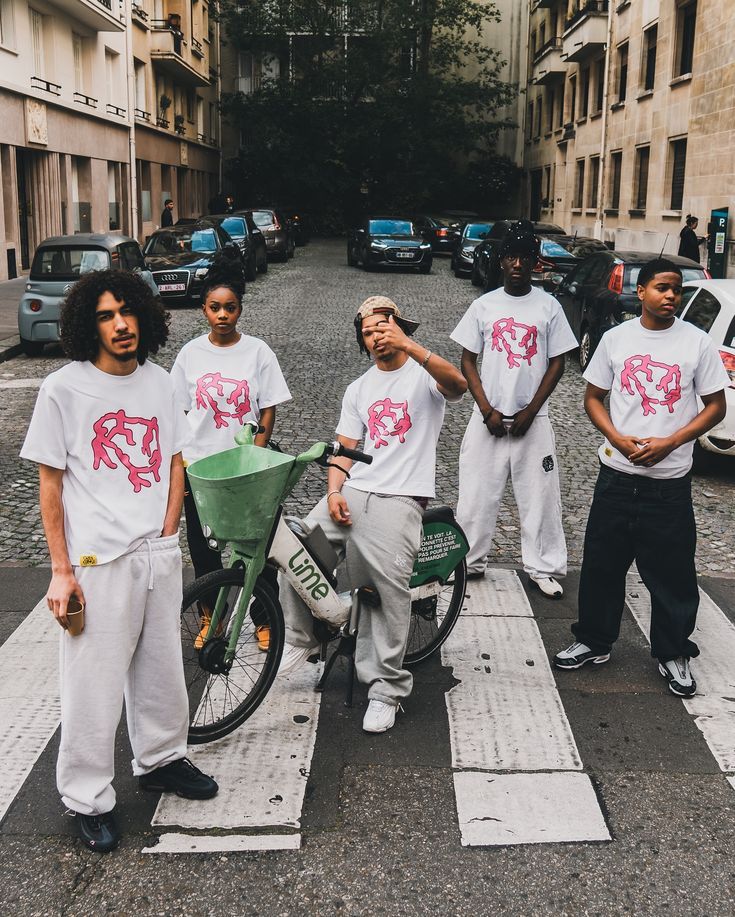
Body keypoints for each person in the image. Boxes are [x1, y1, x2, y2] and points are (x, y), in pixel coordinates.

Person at [20, 270, 218, 854]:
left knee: (162, 670)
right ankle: (87, 797)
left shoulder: (161, 382)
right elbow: (50, 484)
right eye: (106, 315)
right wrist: (61, 571)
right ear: (90, 325)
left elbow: (175, 457)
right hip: (97, 558)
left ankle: (161, 759)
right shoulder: (63, 389)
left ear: (144, 317)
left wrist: (169, 528)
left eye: (127, 311)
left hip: (156, 551)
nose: (121, 324)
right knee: (93, 686)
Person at [278, 296, 467, 733]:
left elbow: (458, 385)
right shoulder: (359, 388)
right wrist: (333, 492)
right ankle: (302, 636)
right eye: (367, 332)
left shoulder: (423, 375)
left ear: (400, 326)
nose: (376, 337)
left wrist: (411, 346)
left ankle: (386, 690)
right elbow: (344, 449)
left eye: (383, 327)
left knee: (384, 585)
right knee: (294, 544)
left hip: (401, 497)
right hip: (355, 490)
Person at [554, 258, 727, 696]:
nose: (671, 296)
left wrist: (672, 442)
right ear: (642, 291)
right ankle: (594, 641)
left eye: (677, 290)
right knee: (602, 565)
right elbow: (593, 398)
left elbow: (715, 407)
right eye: (662, 288)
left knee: (672, 574)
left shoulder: (696, 343)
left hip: (669, 484)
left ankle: (673, 652)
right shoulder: (617, 339)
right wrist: (615, 437)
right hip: (616, 475)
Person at [451, 220, 578, 597]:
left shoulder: (548, 306)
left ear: (535, 262)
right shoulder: (484, 305)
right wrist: (486, 408)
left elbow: (558, 362)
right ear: (502, 261)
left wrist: (531, 410)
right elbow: (467, 360)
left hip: (532, 421)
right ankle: (469, 562)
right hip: (487, 418)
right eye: (512, 257)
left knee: (540, 496)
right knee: (475, 493)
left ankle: (543, 567)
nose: (518, 264)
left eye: (525, 257)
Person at [170, 263, 291, 647]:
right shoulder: (190, 354)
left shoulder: (258, 352)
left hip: (247, 469)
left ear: (240, 308)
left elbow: (268, 409)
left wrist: (256, 456)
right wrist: (181, 464)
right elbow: (178, 412)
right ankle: (213, 617)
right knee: (204, 549)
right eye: (214, 307)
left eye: (230, 307)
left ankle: (264, 617)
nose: (222, 315)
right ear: (204, 309)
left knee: (259, 545)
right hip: (200, 468)